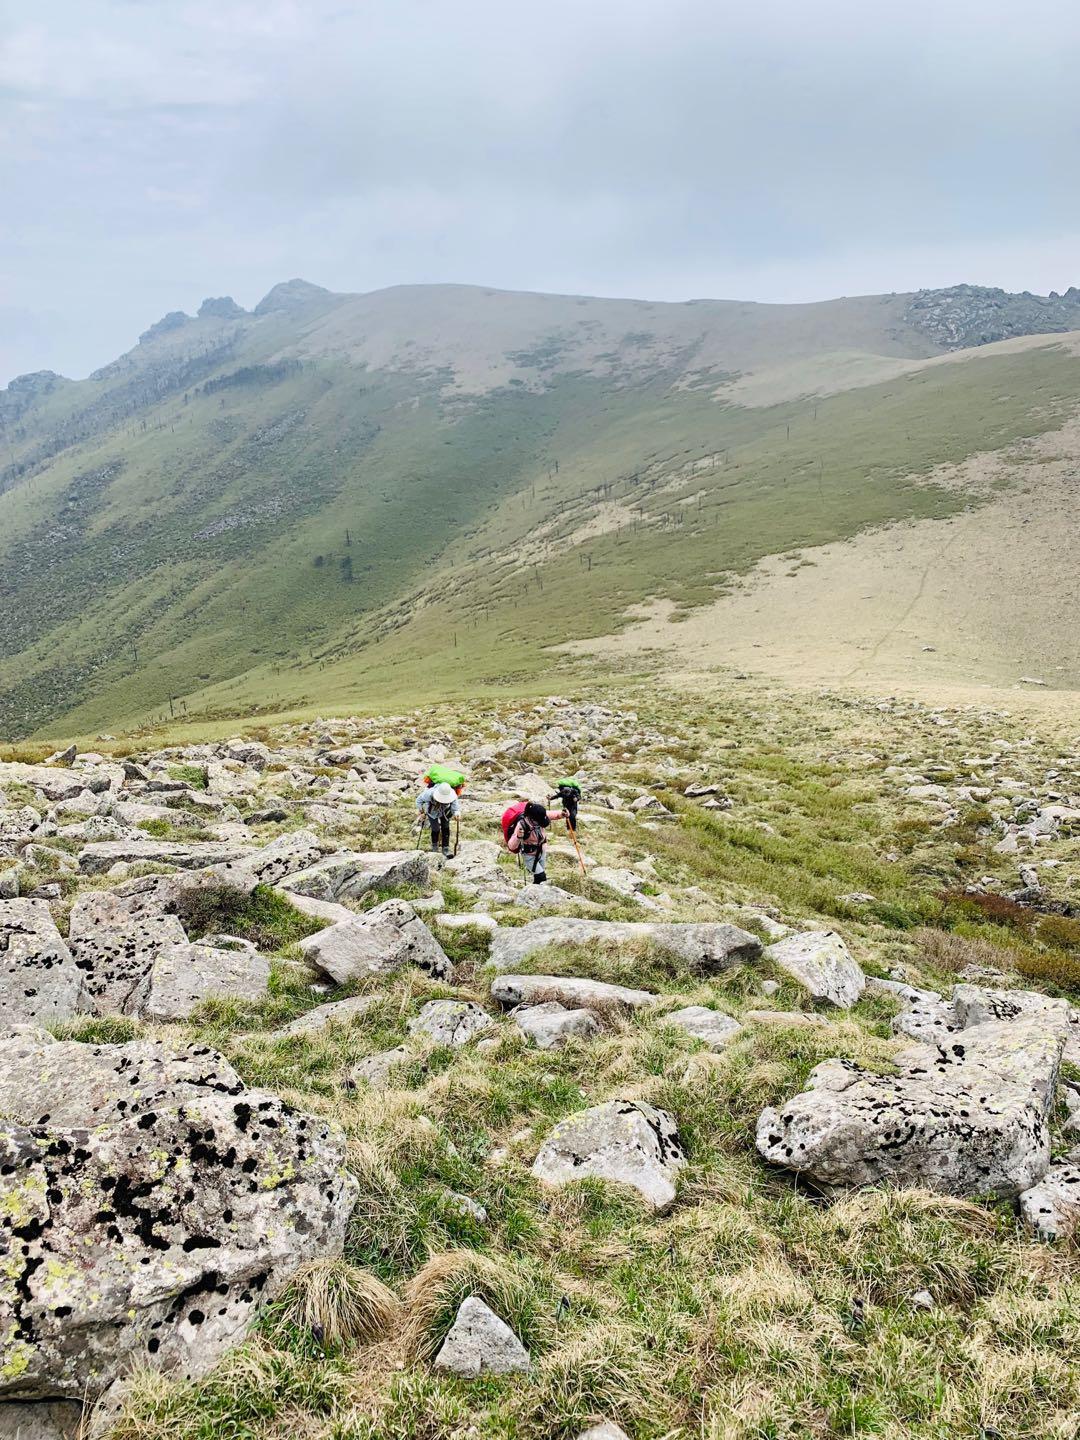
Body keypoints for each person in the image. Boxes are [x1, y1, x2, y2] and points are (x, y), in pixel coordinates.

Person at [505, 800, 565, 884]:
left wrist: (561, 814)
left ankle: (535, 889)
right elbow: (511, 846)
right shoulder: (522, 825)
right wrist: (518, 837)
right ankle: (535, 893)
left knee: (539, 875)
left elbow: (551, 814)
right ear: (532, 819)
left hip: (542, 850)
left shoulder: (539, 816)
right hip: (529, 855)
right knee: (541, 876)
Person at [417, 780, 459, 856]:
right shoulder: (429, 793)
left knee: (445, 828)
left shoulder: (452, 794)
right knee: (435, 828)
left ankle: (445, 849)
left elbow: (455, 806)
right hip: (432, 811)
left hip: (445, 811)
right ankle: (434, 847)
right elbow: (419, 800)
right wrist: (421, 811)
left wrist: (456, 813)